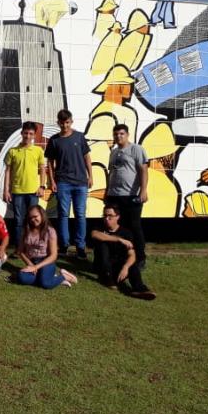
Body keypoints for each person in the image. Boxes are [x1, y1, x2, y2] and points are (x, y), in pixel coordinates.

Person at [45, 109, 92, 258]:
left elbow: (87, 158)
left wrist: (90, 176)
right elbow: (50, 163)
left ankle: (80, 247)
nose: (65, 125)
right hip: (63, 183)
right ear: (58, 123)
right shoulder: (54, 140)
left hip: (80, 183)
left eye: (67, 122)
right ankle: (64, 245)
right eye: (62, 123)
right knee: (63, 215)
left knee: (80, 215)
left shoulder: (79, 137)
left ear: (71, 121)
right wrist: (52, 181)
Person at [105, 123, 149, 267]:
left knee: (135, 227)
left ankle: (140, 257)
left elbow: (143, 170)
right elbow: (111, 173)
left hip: (130, 195)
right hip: (114, 195)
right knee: (118, 228)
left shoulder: (136, 149)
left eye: (121, 134)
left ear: (127, 135)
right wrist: (107, 191)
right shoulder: (114, 152)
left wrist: (143, 190)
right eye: (116, 134)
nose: (118, 136)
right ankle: (121, 256)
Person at [91, 204, 155, 300]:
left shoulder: (126, 233)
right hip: (102, 266)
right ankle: (108, 279)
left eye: (110, 216)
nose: (106, 218)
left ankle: (140, 289)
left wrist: (125, 267)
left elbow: (132, 255)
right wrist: (119, 240)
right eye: (104, 215)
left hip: (117, 266)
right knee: (102, 244)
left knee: (131, 264)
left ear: (117, 217)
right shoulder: (100, 227)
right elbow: (94, 235)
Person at [3, 121, 48, 252]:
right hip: (17, 191)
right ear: (21, 133)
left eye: (31, 134)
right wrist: (6, 190)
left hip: (33, 191)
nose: (28, 136)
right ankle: (19, 247)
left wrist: (42, 186)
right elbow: (7, 171)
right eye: (26, 133)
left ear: (34, 135)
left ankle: (34, 246)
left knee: (34, 220)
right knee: (18, 220)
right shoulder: (13, 151)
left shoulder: (38, 150)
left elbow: (43, 169)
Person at [16, 205, 77, 289]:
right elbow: (20, 251)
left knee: (45, 284)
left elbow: (53, 255)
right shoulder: (26, 230)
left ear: (42, 215)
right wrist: (30, 264)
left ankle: (64, 277)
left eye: (35, 216)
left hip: (46, 261)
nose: (33, 220)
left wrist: (36, 267)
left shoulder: (50, 231)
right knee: (22, 278)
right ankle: (49, 278)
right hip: (32, 261)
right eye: (30, 218)